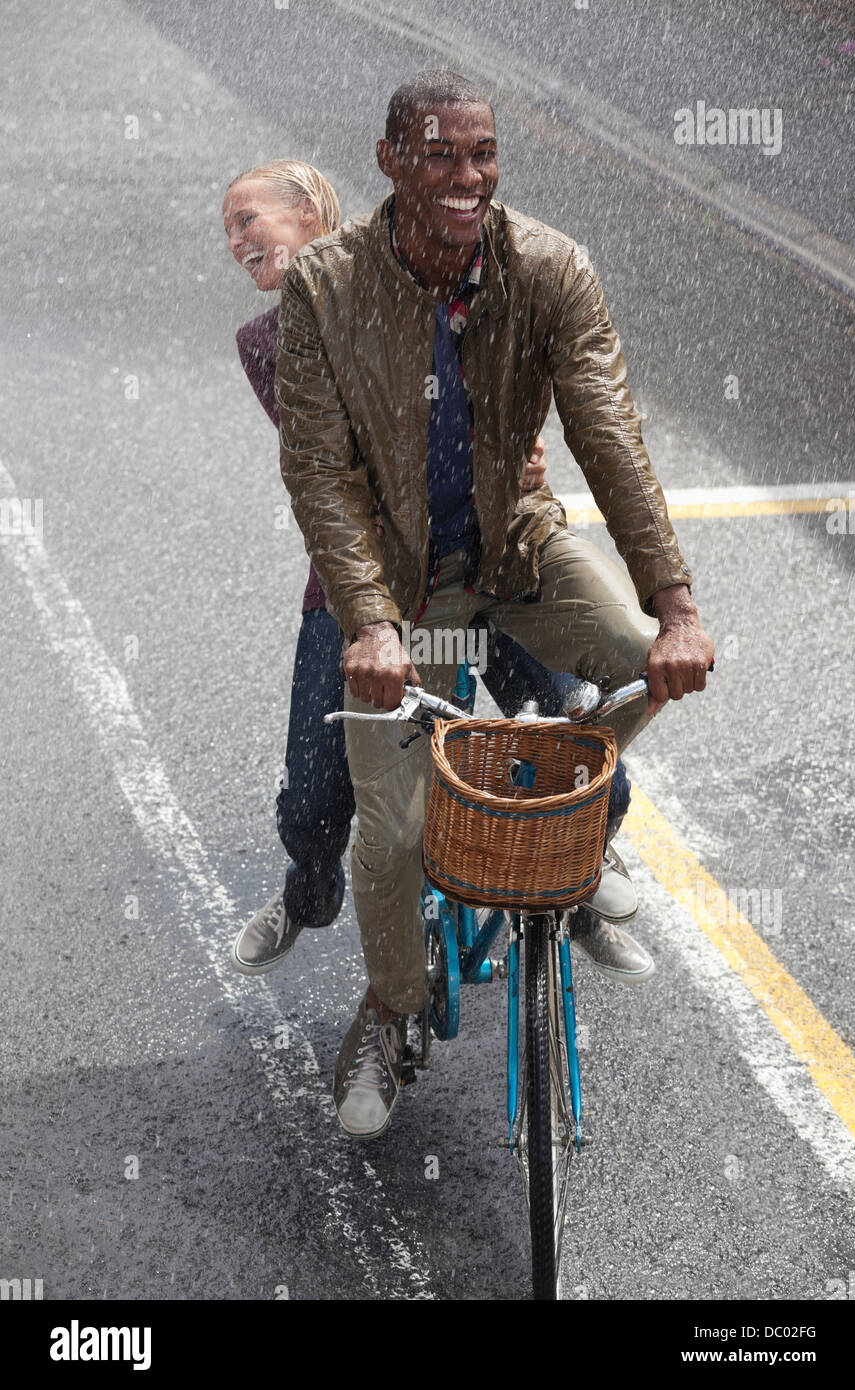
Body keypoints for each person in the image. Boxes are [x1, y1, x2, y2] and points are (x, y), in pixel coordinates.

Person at [275, 71, 715, 1140]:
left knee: (633, 657)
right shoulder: (323, 285)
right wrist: (370, 623)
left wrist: (675, 603)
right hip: (395, 591)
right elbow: (318, 472)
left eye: (482, 155)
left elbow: (608, 436)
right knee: (387, 834)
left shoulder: (551, 267)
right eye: (438, 155)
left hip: (513, 552)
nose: (465, 178)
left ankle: (575, 824)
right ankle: (386, 1010)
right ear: (388, 160)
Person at [222, 157, 639, 981]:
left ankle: (580, 880)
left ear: (308, 212)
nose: (234, 242)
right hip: (373, 589)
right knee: (317, 798)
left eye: (246, 221)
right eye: (227, 232)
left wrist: (517, 442)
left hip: (491, 563)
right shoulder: (269, 340)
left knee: (577, 733)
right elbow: (341, 472)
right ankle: (311, 894)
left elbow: (507, 383)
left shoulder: (423, 289)